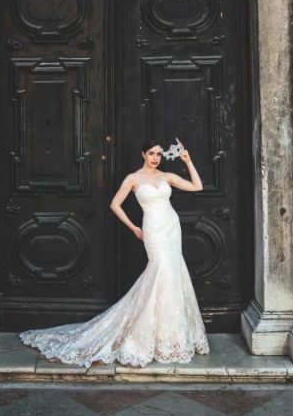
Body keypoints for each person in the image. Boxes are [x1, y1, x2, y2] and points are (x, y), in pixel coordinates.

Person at [19, 139, 210, 367]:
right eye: (151, 153)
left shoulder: (166, 176)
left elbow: (197, 186)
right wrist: (133, 227)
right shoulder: (133, 178)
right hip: (153, 229)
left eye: (159, 154)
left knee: (173, 274)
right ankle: (148, 335)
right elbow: (115, 204)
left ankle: (171, 337)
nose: (155, 158)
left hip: (171, 226)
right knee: (161, 272)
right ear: (143, 154)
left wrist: (188, 162)